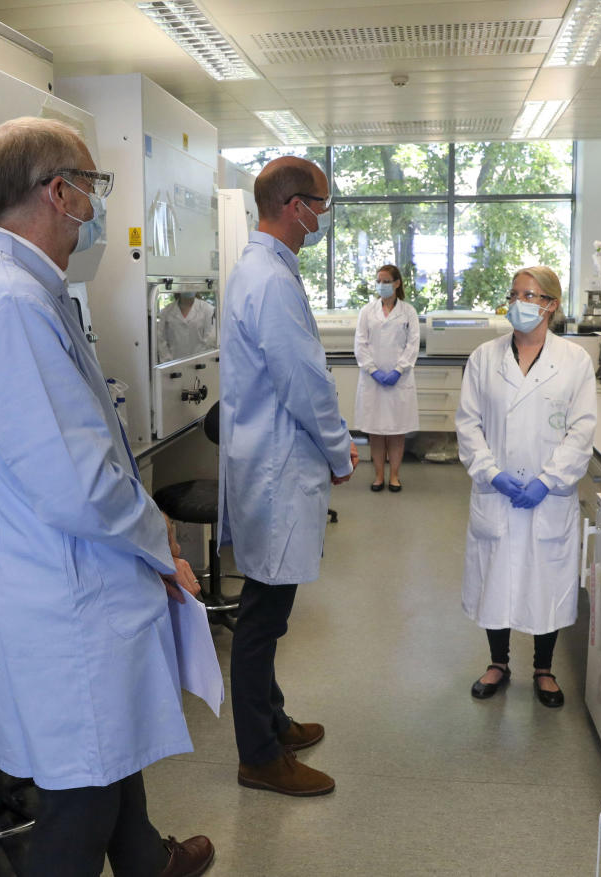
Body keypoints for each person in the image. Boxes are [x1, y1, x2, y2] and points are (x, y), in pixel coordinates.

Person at [0, 117, 213, 877]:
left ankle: (148, 862)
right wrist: (160, 538)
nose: (97, 202)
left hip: (63, 583)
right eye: (94, 184)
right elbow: (80, 486)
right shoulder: (11, 305)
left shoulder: (13, 289)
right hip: (68, 596)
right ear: (61, 193)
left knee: (109, 756)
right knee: (81, 793)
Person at [219, 155, 358, 796]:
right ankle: (259, 755)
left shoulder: (264, 270)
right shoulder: (269, 280)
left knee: (267, 610)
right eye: (320, 206)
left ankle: (273, 721)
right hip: (278, 469)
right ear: (294, 205)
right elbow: (303, 382)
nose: (322, 217)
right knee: (260, 621)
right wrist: (339, 451)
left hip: (270, 463)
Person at [454, 265, 597, 708]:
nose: (520, 303)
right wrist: (490, 472)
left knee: (545, 579)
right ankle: (498, 662)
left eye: (530, 296)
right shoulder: (484, 357)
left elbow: (581, 430)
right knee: (495, 575)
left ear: (551, 305)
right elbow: (468, 424)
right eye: (515, 294)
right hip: (496, 492)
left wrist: (547, 481)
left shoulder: (574, 361)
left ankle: (544, 668)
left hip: (546, 495)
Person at [353, 264, 420, 492]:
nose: (381, 285)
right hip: (373, 381)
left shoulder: (408, 312)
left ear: (397, 283)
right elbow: (360, 344)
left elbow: (413, 344)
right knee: (376, 431)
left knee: (396, 431)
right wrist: (373, 370)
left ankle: (395, 476)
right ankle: (379, 476)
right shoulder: (366, 311)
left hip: (399, 380)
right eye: (378, 281)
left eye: (386, 281)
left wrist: (398, 370)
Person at [157, 291, 217, 362]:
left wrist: (203, 361)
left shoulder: (208, 309)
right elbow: (160, 340)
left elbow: (211, 341)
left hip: (201, 365)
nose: (188, 287)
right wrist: (168, 361)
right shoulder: (166, 312)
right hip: (173, 366)